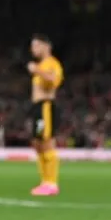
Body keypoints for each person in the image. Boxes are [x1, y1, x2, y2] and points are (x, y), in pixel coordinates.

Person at [27, 34, 63, 196]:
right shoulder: (42, 64)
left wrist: (38, 70)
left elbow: (54, 81)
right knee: (37, 143)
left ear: (45, 46)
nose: (32, 49)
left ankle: (51, 183)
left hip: (45, 106)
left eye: (36, 46)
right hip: (37, 107)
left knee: (47, 143)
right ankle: (44, 181)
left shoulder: (52, 64)